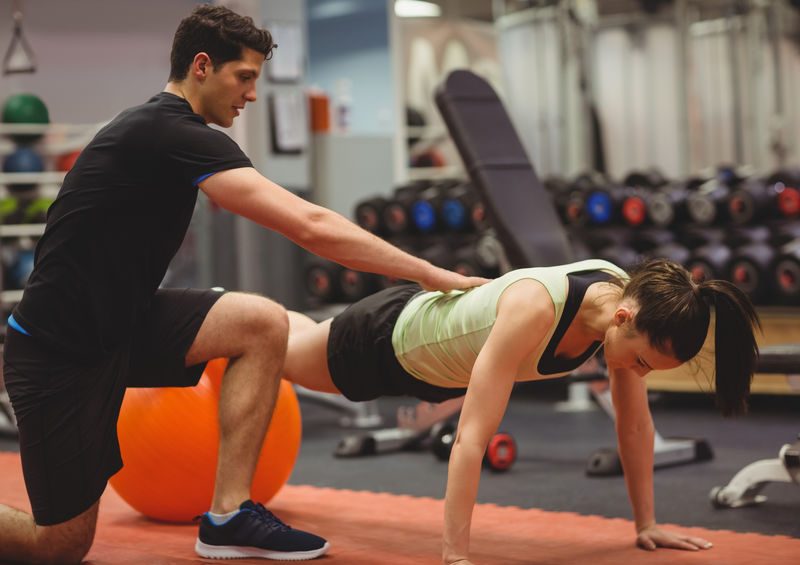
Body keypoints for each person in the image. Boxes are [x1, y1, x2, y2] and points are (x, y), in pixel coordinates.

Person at [0, 6, 486, 565]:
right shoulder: (168, 131)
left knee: (259, 323)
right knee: (59, 546)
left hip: (122, 326)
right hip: (57, 355)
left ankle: (229, 516)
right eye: (245, 77)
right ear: (202, 66)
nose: (252, 94)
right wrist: (429, 273)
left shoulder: (171, 131)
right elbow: (310, 225)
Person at [282, 258, 761, 565]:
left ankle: (239, 318)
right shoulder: (534, 310)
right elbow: (472, 436)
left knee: (295, 340)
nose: (638, 374)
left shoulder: (627, 300)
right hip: (387, 343)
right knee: (280, 359)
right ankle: (218, 315)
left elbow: (635, 424)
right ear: (623, 319)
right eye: (640, 362)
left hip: (425, 361)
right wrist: (456, 559)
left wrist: (646, 525)